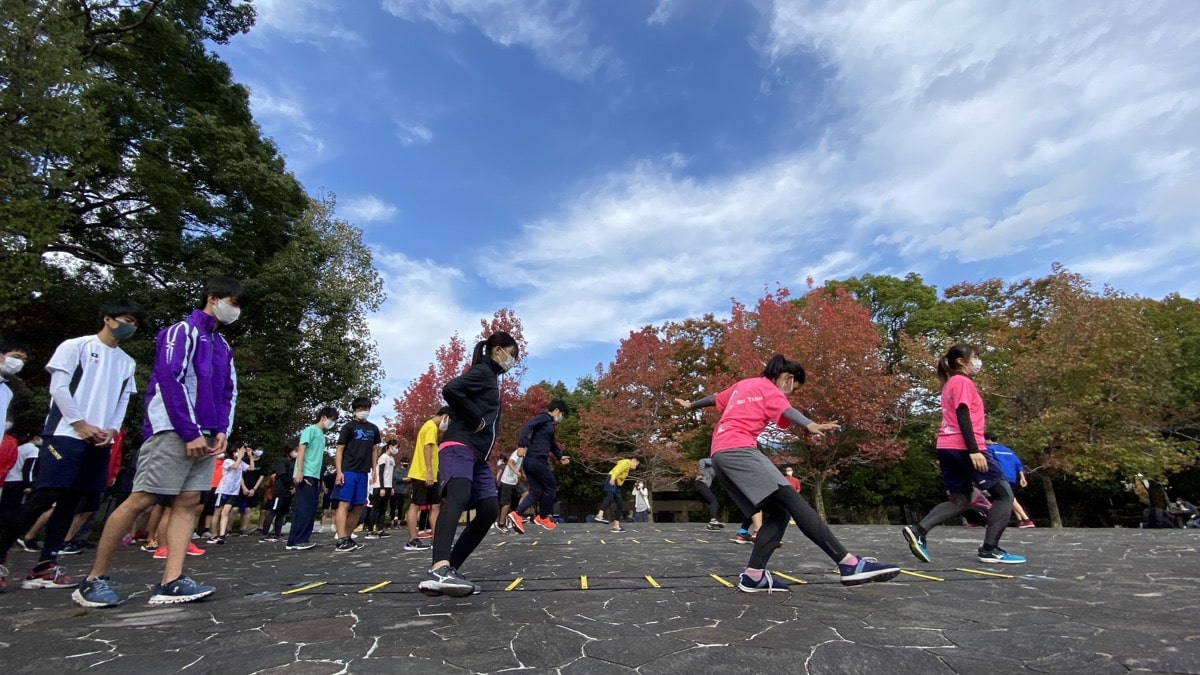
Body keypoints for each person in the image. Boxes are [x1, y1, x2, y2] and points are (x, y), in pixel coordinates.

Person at [74, 281, 244, 608]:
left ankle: (172, 580)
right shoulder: (179, 332)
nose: (234, 310)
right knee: (142, 499)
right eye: (231, 302)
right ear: (212, 299)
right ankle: (93, 578)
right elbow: (170, 379)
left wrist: (222, 429)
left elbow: (227, 391)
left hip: (208, 434)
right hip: (172, 429)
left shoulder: (222, 345)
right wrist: (188, 429)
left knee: (189, 502)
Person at [676, 354, 901, 593]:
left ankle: (754, 575)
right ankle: (849, 564)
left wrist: (691, 405)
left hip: (719, 455)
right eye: (794, 388)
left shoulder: (742, 385)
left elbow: (714, 398)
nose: (790, 393)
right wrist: (810, 425)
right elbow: (788, 410)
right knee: (793, 501)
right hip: (740, 450)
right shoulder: (771, 388)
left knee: (778, 513)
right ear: (788, 378)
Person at [0, 300, 142, 595]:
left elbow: (122, 401)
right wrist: (80, 424)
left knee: (73, 500)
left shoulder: (127, 362)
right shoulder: (75, 346)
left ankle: (46, 565)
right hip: (66, 433)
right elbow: (59, 389)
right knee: (46, 495)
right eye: (127, 319)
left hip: (100, 439)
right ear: (108, 318)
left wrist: (111, 431)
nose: (131, 326)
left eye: (136, 323)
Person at [902, 344, 1025, 565]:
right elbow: (963, 413)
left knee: (961, 499)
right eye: (975, 356)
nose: (977, 360)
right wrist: (974, 450)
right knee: (1004, 495)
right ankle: (990, 549)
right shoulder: (962, 382)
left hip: (947, 447)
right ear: (961, 361)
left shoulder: (949, 384)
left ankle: (918, 530)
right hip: (964, 447)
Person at [418, 332, 519, 598]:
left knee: (488, 510)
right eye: (512, 354)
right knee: (458, 497)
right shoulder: (483, 371)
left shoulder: (490, 378)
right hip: (459, 447)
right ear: (497, 350)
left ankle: (449, 571)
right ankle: (439, 567)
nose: (513, 361)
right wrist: (476, 419)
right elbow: (450, 389)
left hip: (479, 456)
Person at [510, 400, 571, 533]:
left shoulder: (549, 425)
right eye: (562, 414)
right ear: (556, 411)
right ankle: (543, 517)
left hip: (531, 461)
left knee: (536, 491)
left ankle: (517, 514)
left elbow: (552, 443)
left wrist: (560, 456)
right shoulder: (544, 417)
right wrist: (521, 444)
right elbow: (527, 426)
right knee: (551, 487)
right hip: (537, 460)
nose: (562, 418)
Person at [332, 397, 381, 552]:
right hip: (348, 470)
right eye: (360, 408)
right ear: (354, 409)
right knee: (344, 503)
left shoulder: (373, 428)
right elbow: (339, 449)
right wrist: (339, 471)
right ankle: (341, 538)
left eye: (366, 408)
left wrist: (374, 471)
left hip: (363, 472)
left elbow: (374, 450)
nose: (363, 411)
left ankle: (348, 536)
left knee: (359, 505)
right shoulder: (348, 427)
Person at [287, 407, 338, 551]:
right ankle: (300, 540)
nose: (332, 423)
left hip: (315, 475)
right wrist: (300, 471)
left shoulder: (322, 435)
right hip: (305, 474)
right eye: (332, 420)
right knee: (305, 508)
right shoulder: (310, 430)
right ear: (323, 417)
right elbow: (302, 449)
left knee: (308, 507)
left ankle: (293, 541)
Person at [405, 406, 449, 552]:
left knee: (435, 506)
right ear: (445, 417)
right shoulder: (430, 427)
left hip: (433, 474)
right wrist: (429, 472)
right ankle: (412, 539)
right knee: (416, 505)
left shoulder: (432, 428)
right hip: (422, 473)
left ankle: (437, 539)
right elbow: (427, 448)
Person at [984, 433, 1034, 528]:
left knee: (1008, 498)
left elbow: (989, 463)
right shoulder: (1008, 450)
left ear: (988, 440)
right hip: (1012, 477)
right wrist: (1022, 478)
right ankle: (1020, 520)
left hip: (1000, 476)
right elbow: (1018, 464)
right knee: (1010, 497)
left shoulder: (989, 450)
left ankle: (1026, 519)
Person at [210, 446, 251, 544]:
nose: (240, 453)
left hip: (233, 492)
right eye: (237, 451)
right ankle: (213, 535)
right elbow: (235, 466)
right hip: (223, 490)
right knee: (217, 512)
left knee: (225, 512)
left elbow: (251, 468)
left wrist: (250, 457)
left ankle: (222, 535)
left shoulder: (241, 463)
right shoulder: (227, 461)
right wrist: (240, 456)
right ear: (233, 452)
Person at [262, 445, 297, 542]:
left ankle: (278, 533)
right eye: (294, 450)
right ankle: (265, 534)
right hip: (280, 491)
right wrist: (291, 486)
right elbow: (283, 475)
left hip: (288, 493)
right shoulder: (283, 461)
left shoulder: (295, 463)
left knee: (282, 513)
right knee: (273, 511)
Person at [594, 456, 639, 533]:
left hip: (616, 484)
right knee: (609, 496)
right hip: (612, 479)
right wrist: (612, 478)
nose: (636, 466)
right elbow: (616, 471)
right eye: (636, 463)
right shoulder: (626, 462)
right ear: (633, 460)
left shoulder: (627, 467)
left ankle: (616, 526)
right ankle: (599, 515)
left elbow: (621, 478)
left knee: (620, 504)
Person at [495, 447, 526, 533]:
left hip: (514, 481)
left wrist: (523, 473)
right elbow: (510, 463)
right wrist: (516, 472)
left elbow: (520, 465)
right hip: (507, 481)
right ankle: (501, 523)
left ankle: (517, 514)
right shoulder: (518, 452)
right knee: (506, 503)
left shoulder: (523, 455)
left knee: (526, 494)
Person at [237, 447, 265, 535]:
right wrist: (244, 487)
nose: (260, 451)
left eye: (261, 450)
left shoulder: (263, 463)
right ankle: (228, 529)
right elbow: (239, 474)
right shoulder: (244, 460)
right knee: (234, 509)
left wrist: (254, 489)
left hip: (253, 489)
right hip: (241, 487)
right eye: (258, 449)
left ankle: (243, 529)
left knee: (248, 509)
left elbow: (261, 476)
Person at [694, 457, 724, 531]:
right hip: (701, 483)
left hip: (703, 485)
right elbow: (702, 460)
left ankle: (711, 526)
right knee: (713, 501)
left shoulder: (719, 467)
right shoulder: (715, 461)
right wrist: (701, 473)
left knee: (716, 504)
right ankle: (713, 520)